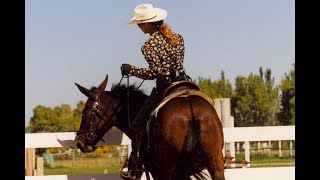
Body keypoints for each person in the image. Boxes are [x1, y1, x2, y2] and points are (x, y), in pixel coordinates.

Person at [120, 3, 191, 178]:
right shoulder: (179, 38)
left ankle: (136, 164)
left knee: (137, 125)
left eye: (140, 24)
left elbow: (154, 73)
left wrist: (132, 70)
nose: (139, 27)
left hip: (165, 86)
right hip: (184, 83)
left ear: (149, 24)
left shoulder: (148, 46)